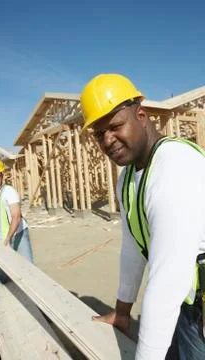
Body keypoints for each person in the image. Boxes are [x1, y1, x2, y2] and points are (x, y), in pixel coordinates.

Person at [80, 73, 205, 359]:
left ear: (141, 115)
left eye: (115, 126)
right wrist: (122, 313)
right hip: (183, 303)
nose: (108, 140)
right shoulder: (127, 179)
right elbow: (132, 249)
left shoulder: (175, 168)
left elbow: (167, 282)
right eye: (99, 134)